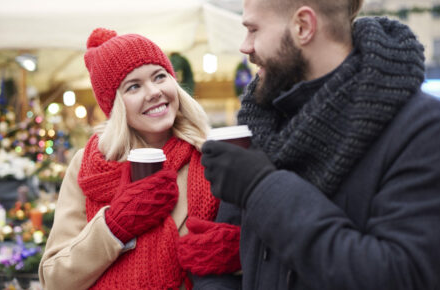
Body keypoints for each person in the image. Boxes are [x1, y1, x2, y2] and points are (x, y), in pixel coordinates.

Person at [198, 0, 440, 289]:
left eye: (253, 29)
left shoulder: (421, 128)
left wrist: (262, 188)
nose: (245, 46)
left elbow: (401, 276)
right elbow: (220, 259)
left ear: (303, 27)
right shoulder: (262, 121)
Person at [39, 28, 240, 290]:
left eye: (159, 76)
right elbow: (55, 279)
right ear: (115, 105)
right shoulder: (88, 165)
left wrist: (237, 254)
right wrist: (114, 227)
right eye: (133, 86)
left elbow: (257, 255)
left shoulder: (210, 155)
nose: (154, 91)